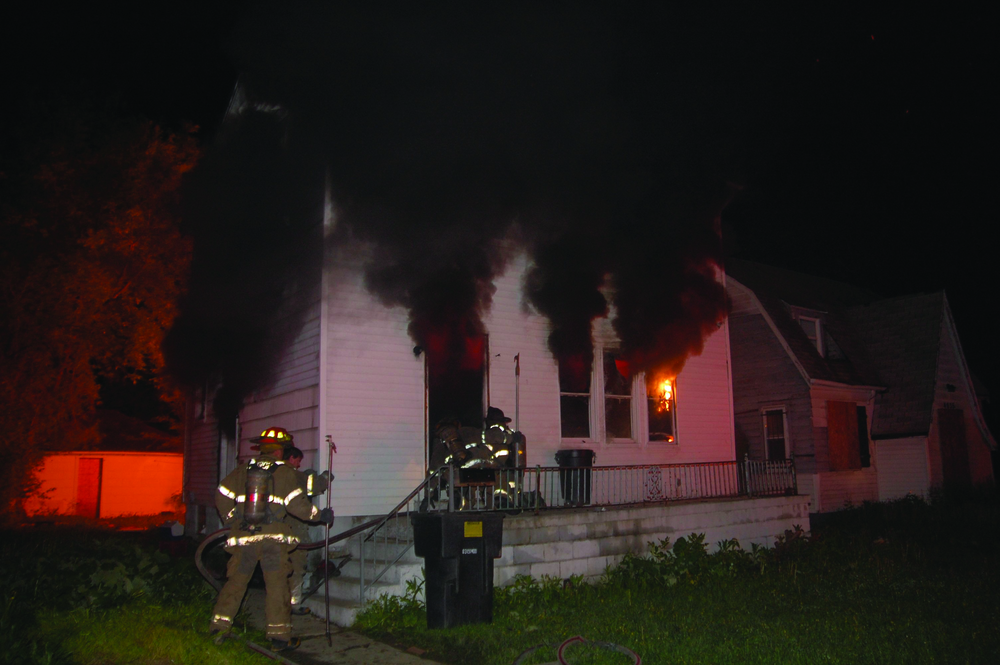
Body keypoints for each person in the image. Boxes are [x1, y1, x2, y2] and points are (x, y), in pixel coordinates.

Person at [210, 427, 333, 652]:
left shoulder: (243, 470)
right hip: (273, 542)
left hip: (244, 538)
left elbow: (221, 494)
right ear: (280, 451)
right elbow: (297, 504)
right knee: (276, 586)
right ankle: (279, 638)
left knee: (236, 582)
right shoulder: (284, 471)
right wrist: (319, 515)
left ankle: (219, 627)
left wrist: (232, 519)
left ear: (262, 449)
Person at [283, 445, 329, 615]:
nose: (299, 464)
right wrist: (325, 477)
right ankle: (293, 604)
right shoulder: (292, 475)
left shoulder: (275, 474)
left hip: (275, 529)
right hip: (294, 527)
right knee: (297, 565)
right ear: (292, 458)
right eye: (298, 460)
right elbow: (313, 487)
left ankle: (280, 602)